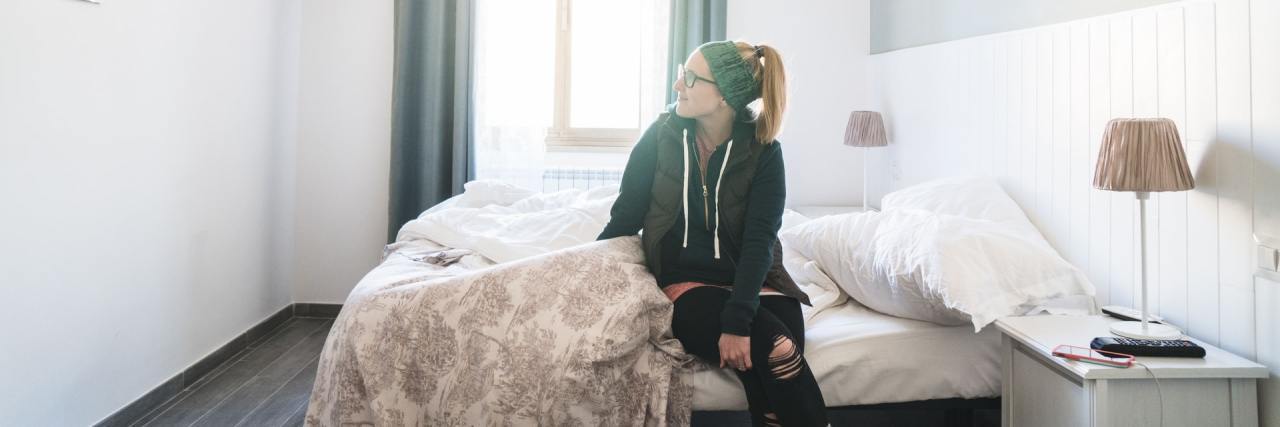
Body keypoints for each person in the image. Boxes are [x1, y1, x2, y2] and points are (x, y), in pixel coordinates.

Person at [596, 40, 829, 427]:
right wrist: (586, 272)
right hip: (689, 283)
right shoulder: (660, 137)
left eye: (690, 78)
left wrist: (737, 322)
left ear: (723, 96)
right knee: (776, 351)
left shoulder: (764, 151)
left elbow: (759, 242)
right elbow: (624, 219)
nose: (678, 86)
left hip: (757, 281)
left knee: (779, 358)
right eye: (680, 74)